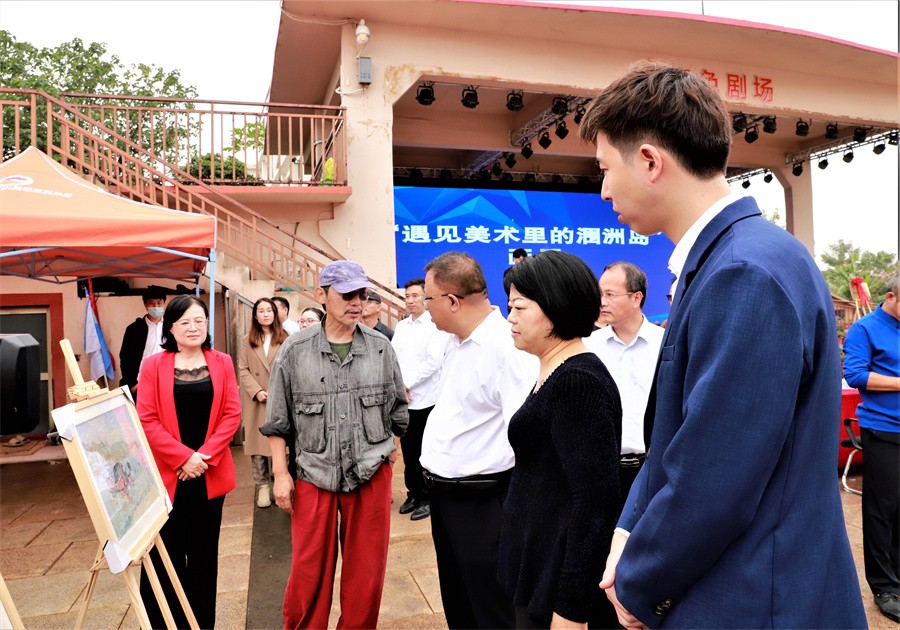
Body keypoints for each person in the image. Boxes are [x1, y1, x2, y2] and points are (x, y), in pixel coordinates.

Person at [578, 61, 865, 628]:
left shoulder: (743, 272)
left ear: (650, 161)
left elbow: (713, 478)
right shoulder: (737, 257)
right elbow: (679, 440)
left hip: (754, 598)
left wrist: (640, 585)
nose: (604, 188)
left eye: (606, 169)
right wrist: (628, 531)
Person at [260, 260, 408, 629]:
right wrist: (281, 475)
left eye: (362, 294)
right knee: (307, 573)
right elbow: (278, 421)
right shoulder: (294, 350)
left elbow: (398, 410)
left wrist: (388, 455)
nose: (357, 302)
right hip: (313, 473)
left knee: (367, 575)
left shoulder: (381, 348)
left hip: (371, 474)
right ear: (322, 295)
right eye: (347, 294)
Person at [499, 250, 621, 629]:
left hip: (555, 586)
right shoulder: (554, 370)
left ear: (555, 307)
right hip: (538, 566)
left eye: (519, 307)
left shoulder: (577, 382)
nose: (510, 317)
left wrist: (571, 609)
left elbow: (594, 502)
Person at [420, 251, 538, 629]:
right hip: (446, 498)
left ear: (453, 301)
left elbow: (527, 437)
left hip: (483, 503)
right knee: (460, 604)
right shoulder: (455, 342)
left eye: (428, 298)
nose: (425, 306)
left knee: (492, 610)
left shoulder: (506, 347)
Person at [136, 295, 241, 629]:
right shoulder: (153, 365)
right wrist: (184, 458)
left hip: (209, 475)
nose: (193, 327)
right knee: (165, 555)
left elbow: (232, 414)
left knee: (204, 557)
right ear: (171, 327)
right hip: (169, 476)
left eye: (200, 321)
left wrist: (202, 458)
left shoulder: (222, 362)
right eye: (185, 322)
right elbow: (146, 419)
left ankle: (200, 624)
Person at [843, 272, 900, 623]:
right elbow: (856, 375)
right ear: (891, 296)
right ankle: (885, 587)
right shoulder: (865, 329)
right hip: (884, 429)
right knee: (883, 510)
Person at [584, 261, 663, 510]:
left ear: (636, 298)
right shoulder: (589, 347)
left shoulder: (664, 344)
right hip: (603, 471)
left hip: (653, 470)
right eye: (600, 294)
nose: (602, 302)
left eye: (610, 295)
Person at [391, 277, 451, 521]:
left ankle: (427, 498)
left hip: (426, 400)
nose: (410, 300)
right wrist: (399, 386)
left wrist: (406, 384)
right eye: (407, 296)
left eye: (415, 295)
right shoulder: (402, 327)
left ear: (425, 297)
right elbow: (393, 359)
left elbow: (433, 363)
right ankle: (413, 493)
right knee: (408, 450)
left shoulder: (434, 327)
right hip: (404, 400)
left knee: (424, 452)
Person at [238, 297, 288, 509]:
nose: (266, 314)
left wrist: (278, 391)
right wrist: (256, 391)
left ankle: (280, 482)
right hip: (257, 400)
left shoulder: (286, 337)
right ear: (255, 315)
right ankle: (263, 486)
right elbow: (242, 369)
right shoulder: (246, 340)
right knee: (257, 445)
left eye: (269, 310)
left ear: (275, 314)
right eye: (261, 310)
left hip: (280, 398)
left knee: (281, 442)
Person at [120, 287, 167, 397]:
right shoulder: (134, 329)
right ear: (145, 305)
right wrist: (133, 384)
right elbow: (125, 358)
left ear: (164, 303)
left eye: (159, 303)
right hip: (141, 384)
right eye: (151, 303)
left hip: (166, 383)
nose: (156, 307)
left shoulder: (172, 327)